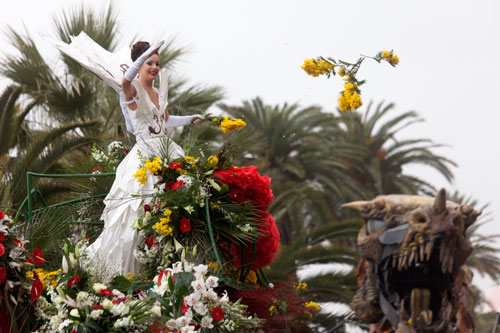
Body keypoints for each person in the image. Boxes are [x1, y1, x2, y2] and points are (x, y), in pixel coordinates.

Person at [55, 34, 203, 275]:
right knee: (133, 217)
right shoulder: (131, 90)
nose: (155, 67)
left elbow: (163, 120)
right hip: (144, 157)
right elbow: (124, 82)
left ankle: (168, 267)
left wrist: (189, 119)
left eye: (157, 63)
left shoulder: (156, 92)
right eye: (149, 62)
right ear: (140, 64)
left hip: (166, 151)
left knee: (174, 209)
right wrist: (142, 55)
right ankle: (128, 272)